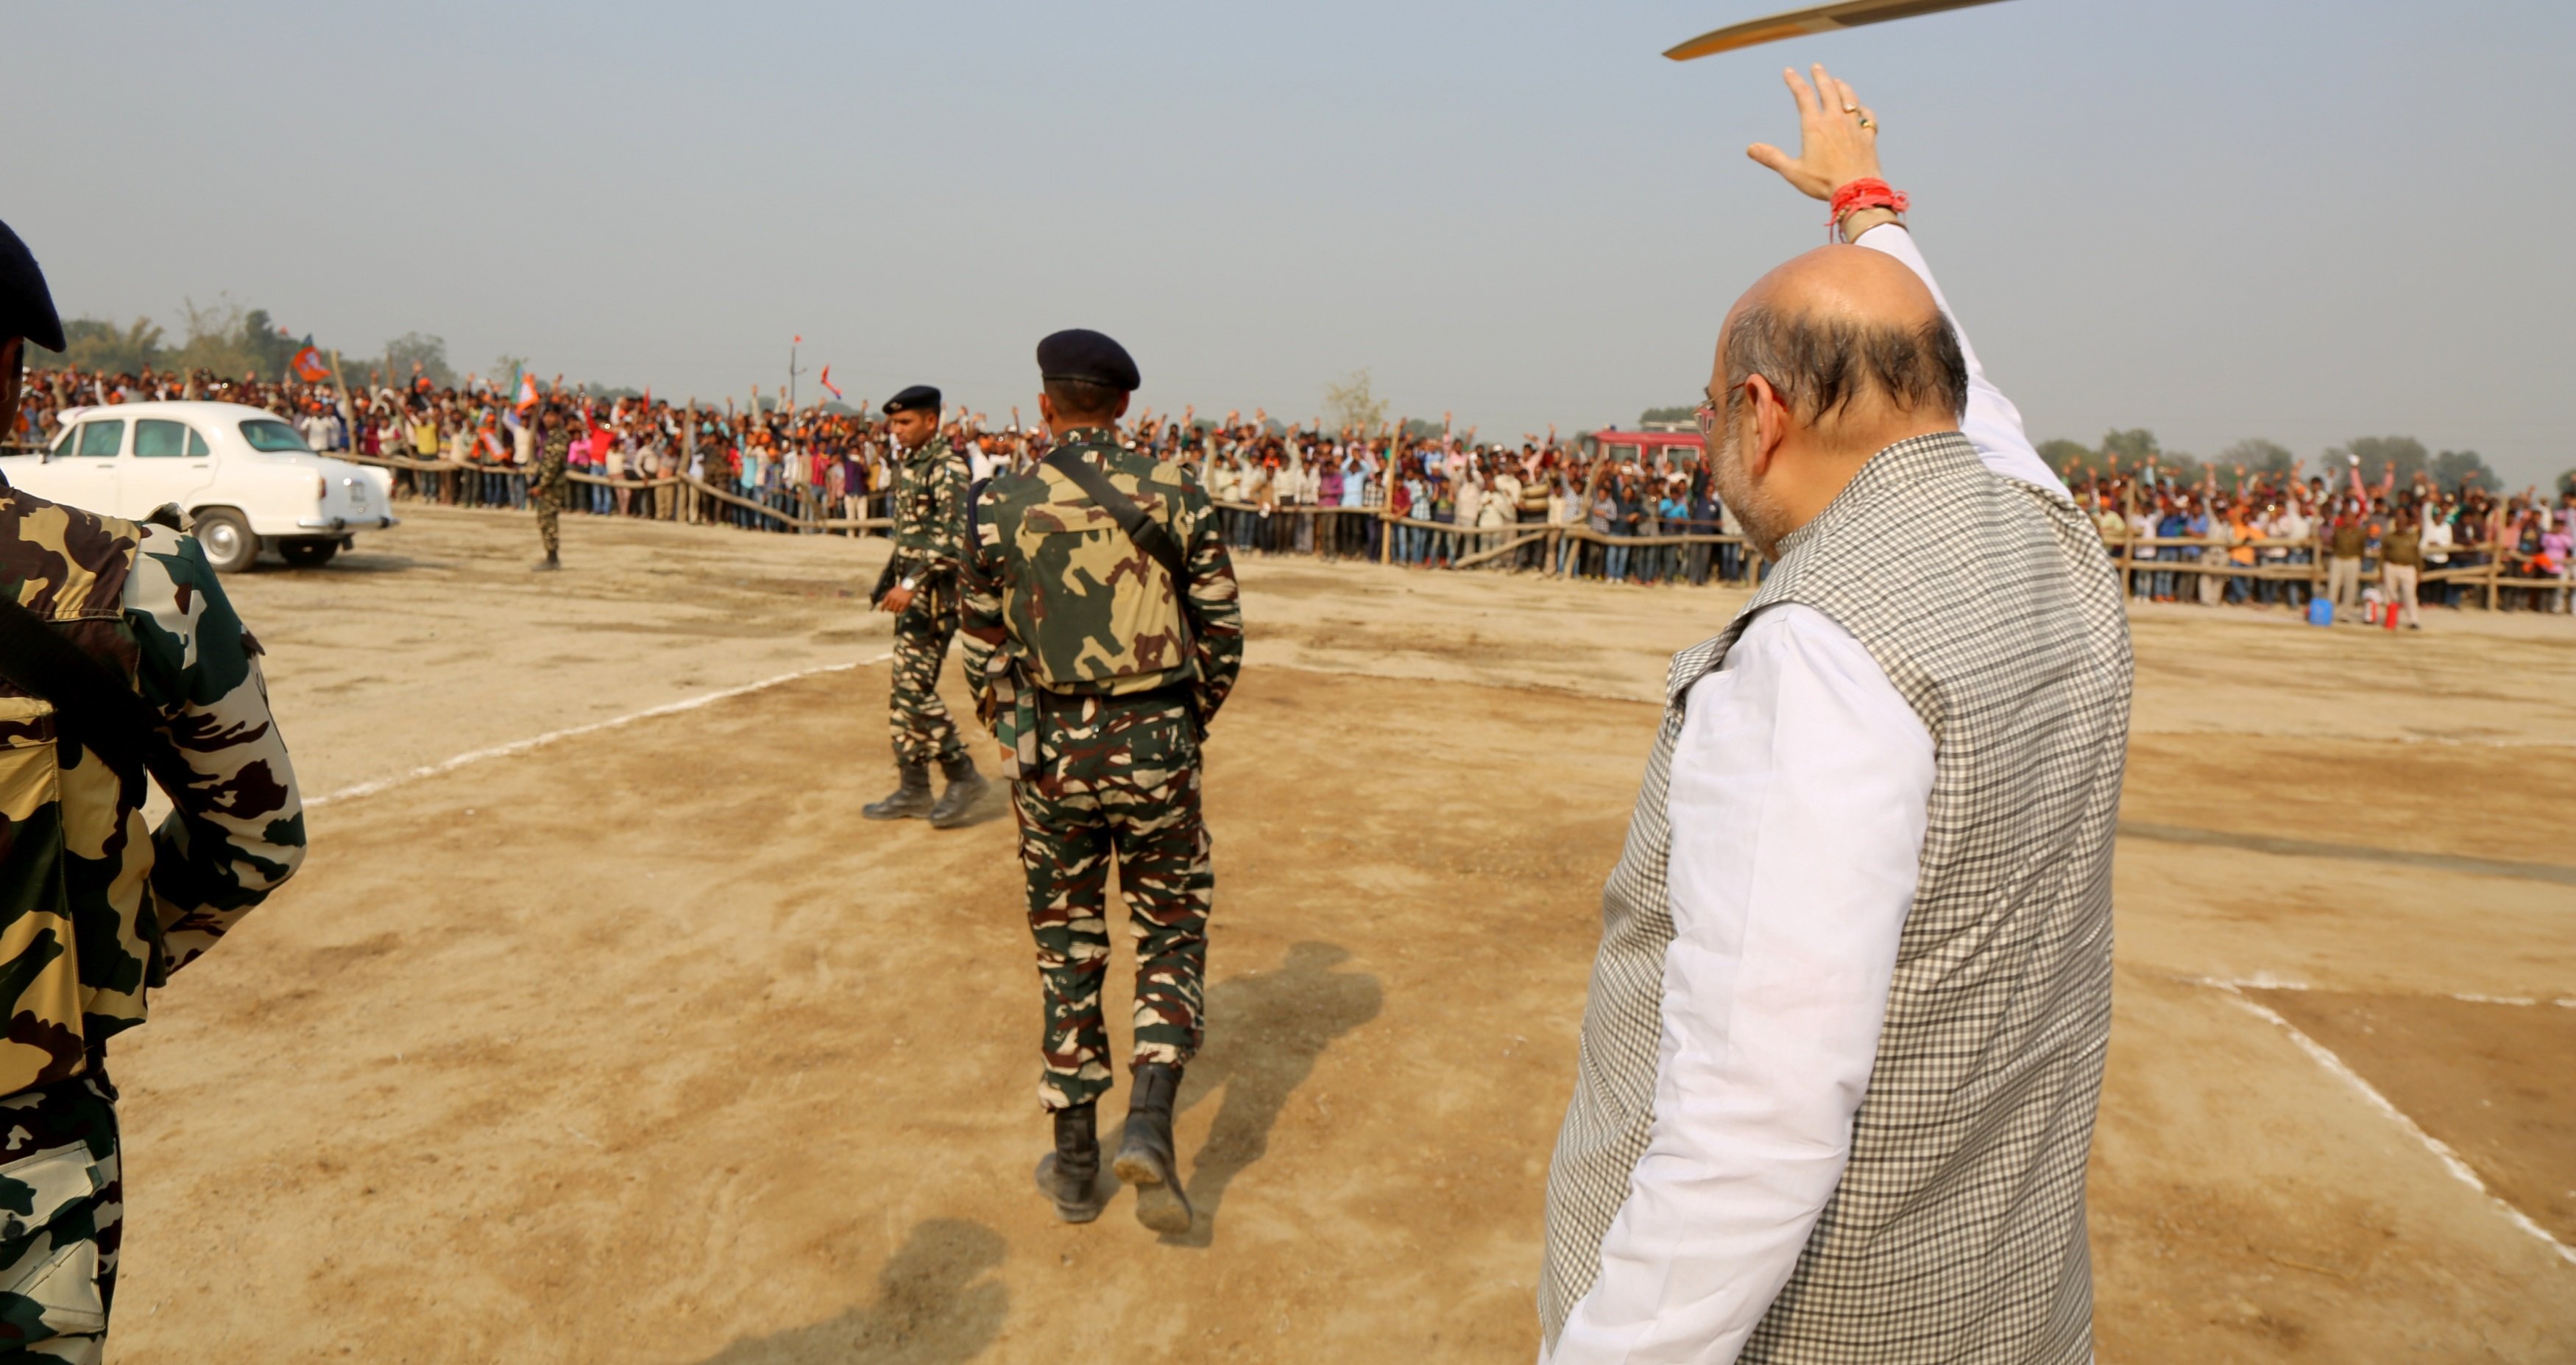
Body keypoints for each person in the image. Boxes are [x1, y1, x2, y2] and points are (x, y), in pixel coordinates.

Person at [1538, 67, 2132, 1363]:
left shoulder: (1815, 653)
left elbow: (1754, 1119)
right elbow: (1969, 383)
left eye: (1708, 413)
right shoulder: (2048, 526)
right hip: (2006, 1300)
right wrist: (1869, 209)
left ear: (1760, 413)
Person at [0, 217, 308, 1362]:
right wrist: (98, 957)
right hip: (24, 1159)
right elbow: (256, 838)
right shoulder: (136, 577)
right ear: (9, 373)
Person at [958, 329, 1244, 1232]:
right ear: (1123, 406)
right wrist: (1173, 727)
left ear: (1044, 403)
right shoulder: (1176, 490)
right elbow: (1223, 636)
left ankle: (1075, 1165)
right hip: (1155, 744)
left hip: (1050, 757)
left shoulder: (996, 500)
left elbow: (977, 647)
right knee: (1168, 929)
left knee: (1067, 947)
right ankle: (1150, 1125)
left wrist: (1016, 727)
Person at [863, 385, 988, 827]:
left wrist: (912, 582)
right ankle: (913, 787)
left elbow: (955, 539)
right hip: (912, 597)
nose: (896, 431)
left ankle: (963, 774)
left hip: (934, 599)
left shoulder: (947, 467)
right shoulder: (913, 463)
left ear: (931, 422)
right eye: (893, 424)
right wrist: (891, 581)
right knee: (903, 697)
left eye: (905, 422)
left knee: (914, 692)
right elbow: (912, 538)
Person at [530, 403, 568, 569]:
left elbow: (553, 466)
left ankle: (552, 559)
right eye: (546, 416)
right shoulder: (552, 436)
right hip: (548, 485)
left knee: (548, 521)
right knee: (544, 520)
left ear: (559, 417)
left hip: (552, 487)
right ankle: (551, 556)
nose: (548, 419)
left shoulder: (560, 437)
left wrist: (542, 485)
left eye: (552, 415)